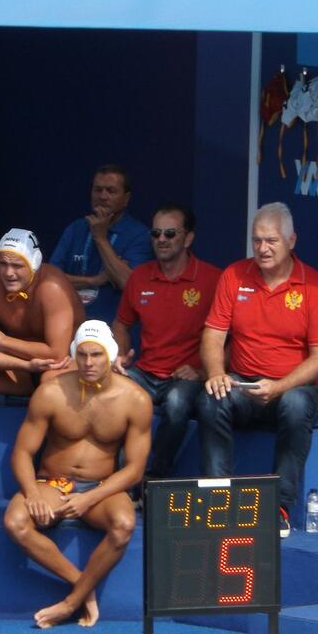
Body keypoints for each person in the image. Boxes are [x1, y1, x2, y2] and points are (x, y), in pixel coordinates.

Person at [197, 202, 318, 539]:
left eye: (271, 241)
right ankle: (218, 498)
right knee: (210, 399)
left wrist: (278, 386)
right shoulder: (234, 275)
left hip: (293, 388)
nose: (262, 248)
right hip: (244, 385)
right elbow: (213, 336)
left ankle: (280, 507)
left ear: (292, 240)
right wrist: (216, 373)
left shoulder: (313, 286)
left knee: (297, 404)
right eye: (256, 240)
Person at [2, 321, 151, 629]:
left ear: (110, 355)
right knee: (15, 522)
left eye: (96, 355)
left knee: (124, 525)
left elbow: (135, 468)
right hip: (51, 484)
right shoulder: (51, 392)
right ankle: (85, 588)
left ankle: (71, 601)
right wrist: (31, 493)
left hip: (101, 488)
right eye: (81, 355)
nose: (88, 363)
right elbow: (22, 452)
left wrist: (90, 498)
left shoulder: (135, 400)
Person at [0, 228, 84, 498]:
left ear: (34, 265)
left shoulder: (52, 287)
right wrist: (25, 366)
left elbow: (56, 353)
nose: (9, 273)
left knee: (50, 380)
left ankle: (50, 476)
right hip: (24, 367)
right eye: (3, 264)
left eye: (17, 265)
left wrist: (1, 340)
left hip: (63, 366)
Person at [112, 204, 221, 478]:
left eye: (170, 233)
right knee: (113, 394)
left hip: (186, 376)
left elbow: (231, 337)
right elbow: (122, 324)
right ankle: (115, 479)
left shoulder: (212, 279)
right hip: (145, 372)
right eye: (156, 233)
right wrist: (120, 355)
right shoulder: (139, 277)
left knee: (175, 405)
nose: (161, 239)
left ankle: (153, 478)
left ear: (188, 238)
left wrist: (201, 371)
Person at [49, 164, 152, 323]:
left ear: (126, 199)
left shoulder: (140, 235)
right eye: (98, 190)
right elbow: (51, 279)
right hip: (71, 324)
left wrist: (100, 238)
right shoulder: (76, 228)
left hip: (112, 330)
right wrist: (94, 281)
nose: (103, 196)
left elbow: (131, 286)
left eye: (111, 191)